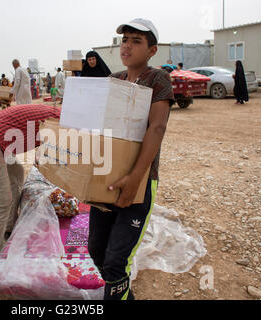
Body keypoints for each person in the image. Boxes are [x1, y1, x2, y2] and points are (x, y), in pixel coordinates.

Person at [87, 18, 175, 301]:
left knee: (115, 260)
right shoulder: (114, 80)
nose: (127, 45)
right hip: (107, 176)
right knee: (97, 251)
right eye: (125, 40)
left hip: (139, 181)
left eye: (136, 41)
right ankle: (123, 292)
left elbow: (157, 127)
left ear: (152, 50)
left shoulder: (157, 79)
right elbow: (99, 127)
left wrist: (135, 178)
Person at [0, 104, 61, 282]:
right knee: (1, 200)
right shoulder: (57, 122)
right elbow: (43, 158)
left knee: (17, 175)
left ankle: (9, 227)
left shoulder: (56, 117)